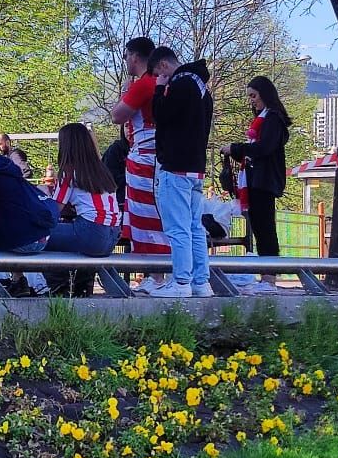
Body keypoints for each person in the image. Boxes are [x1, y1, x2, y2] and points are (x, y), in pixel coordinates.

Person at [146, 45, 213, 297]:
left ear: (163, 66)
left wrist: (159, 89)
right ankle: (201, 282)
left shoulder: (180, 84)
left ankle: (181, 283)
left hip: (175, 166)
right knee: (195, 227)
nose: (157, 78)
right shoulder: (202, 87)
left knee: (178, 228)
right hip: (196, 167)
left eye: (157, 73)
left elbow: (160, 114)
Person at [0, 123, 58, 278]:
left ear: (7, 142)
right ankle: (18, 280)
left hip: (26, 239)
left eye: (0, 144)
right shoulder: (5, 166)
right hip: (38, 234)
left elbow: (23, 171)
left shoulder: (6, 164)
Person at [109, 36, 168, 262]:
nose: (126, 61)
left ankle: (156, 273)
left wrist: (126, 92)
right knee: (152, 214)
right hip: (154, 155)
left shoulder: (145, 84)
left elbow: (117, 115)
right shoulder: (161, 83)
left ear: (134, 56)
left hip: (146, 157)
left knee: (147, 215)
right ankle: (156, 272)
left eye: (126, 56)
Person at [226, 76, 292, 275]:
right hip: (257, 180)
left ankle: (269, 277)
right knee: (260, 229)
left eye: (253, 96)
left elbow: (263, 148)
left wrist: (236, 148)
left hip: (264, 182)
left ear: (265, 94)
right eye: (249, 97)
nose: (251, 101)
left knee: (265, 230)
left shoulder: (273, 118)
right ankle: (267, 275)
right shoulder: (266, 118)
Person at [44, 123, 121, 292]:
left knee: (38, 236)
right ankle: (82, 283)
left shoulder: (68, 171)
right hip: (113, 234)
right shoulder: (101, 169)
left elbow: (54, 210)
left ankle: (58, 286)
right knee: (66, 235)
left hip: (91, 232)